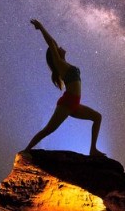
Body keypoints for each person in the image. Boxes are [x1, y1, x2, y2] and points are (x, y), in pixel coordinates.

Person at [24, 19, 106, 157]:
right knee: (48, 129)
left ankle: (93, 149)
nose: (60, 46)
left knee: (97, 117)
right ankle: (26, 151)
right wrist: (41, 27)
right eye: (57, 48)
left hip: (75, 104)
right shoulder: (59, 64)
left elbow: (54, 44)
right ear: (55, 54)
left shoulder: (64, 64)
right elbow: (51, 43)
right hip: (67, 103)